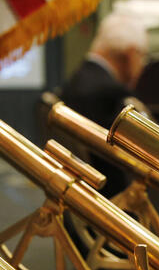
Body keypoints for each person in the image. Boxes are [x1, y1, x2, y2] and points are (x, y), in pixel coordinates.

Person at [59, 12, 148, 196]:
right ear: (131, 54)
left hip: (76, 195)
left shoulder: (76, 80)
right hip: (110, 201)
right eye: (143, 56)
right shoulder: (113, 95)